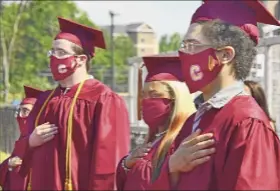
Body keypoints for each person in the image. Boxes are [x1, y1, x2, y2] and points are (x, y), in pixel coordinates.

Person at [150, 0, 280, 190]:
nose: (183, 53)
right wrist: (172, 168)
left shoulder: (247, 123)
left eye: (192, 45)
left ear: (225, 55)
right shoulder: (195, 119)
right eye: (184, 44)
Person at [18, 17, 130, 190]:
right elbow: (22, 155)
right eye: (52, 52)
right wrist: (31, 142)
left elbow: (108, 166)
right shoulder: (45, 100)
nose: (54, 57)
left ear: (81, 59)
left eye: (61, 52)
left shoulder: (104, 100)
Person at [116, 55, 216, 190]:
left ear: (176, 99)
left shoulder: (184, 140)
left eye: (155, 95)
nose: (145, 101)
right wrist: (126, 164)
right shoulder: (154, 139)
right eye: (144, 95)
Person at [0, 86, 43, 190]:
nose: (19, 116)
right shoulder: (22, 139)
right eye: (19, 111)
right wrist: (9, 164)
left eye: (25, 111)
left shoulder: (45, 140)